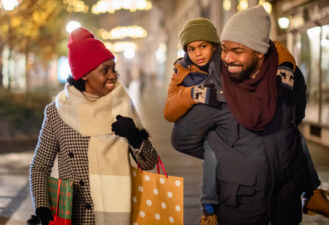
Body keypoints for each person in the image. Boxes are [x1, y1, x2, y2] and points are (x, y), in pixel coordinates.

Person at [171, 5, 319, 224]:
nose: (228, 58)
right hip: (240, 206)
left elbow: (295, 118)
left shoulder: (286, 80)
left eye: (237, 51)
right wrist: (229, 157)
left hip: (285, 202)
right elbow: (182, 140)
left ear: (259, 51)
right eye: (225, 49)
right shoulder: (213, 92)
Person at [28, 27, 158, 225]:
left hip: (121, 213)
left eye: (113, 69)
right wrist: (43, 208)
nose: (113, 76)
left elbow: (149, 162)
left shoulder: (122, 106)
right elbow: (40, 167)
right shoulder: (57, 112)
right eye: (104, 70)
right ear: (85, 74)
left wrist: (135, 136)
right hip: (76, 216)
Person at [164, 18, 222, 224]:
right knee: (213, 147)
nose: (197, 53)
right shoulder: (182, 71)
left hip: (233, 130)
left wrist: (285, 65)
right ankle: (208, 206)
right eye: (191, 48)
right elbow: (169, 112)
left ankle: (310, 191)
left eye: (203, 46)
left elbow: (275, 47)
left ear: (214, 45)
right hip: (201, 133)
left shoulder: (228, 60)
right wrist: (193, 94)